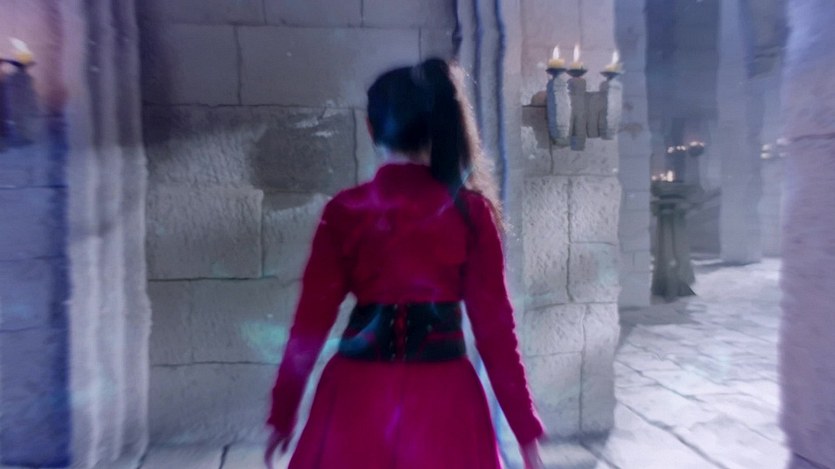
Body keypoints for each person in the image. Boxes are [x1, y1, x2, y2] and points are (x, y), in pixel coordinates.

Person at [264, 58, 546, 469]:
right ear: (436, 126)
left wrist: (283, 413)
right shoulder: (470, 213)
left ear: (371, 128)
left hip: (355, 400)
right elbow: (496, 331)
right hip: (446, 403)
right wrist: (524, 429)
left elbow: (309, 324)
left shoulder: (345, 211)